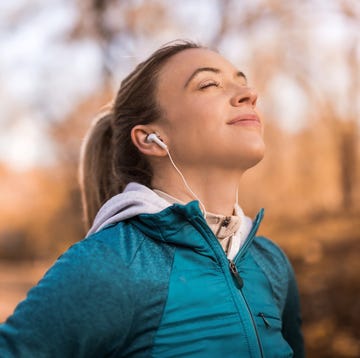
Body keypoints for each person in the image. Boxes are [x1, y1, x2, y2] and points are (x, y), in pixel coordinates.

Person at [0, 40, 304, 357]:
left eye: (242, 82)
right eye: (209, 83)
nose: (250, 94)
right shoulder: (112, 264)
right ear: (151, 139)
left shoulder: (271, 262)